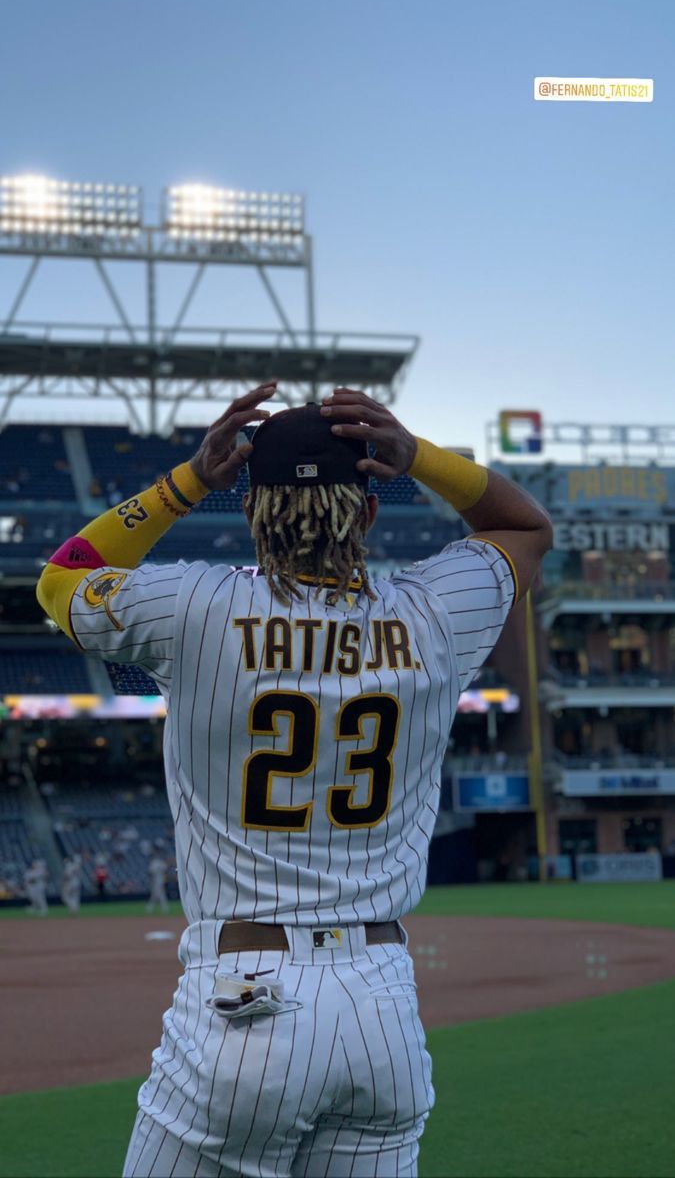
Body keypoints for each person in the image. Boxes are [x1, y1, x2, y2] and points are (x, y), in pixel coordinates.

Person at [37, 382, 552, 1177]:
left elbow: (64, 578)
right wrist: (420, 459)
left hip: (243, 997)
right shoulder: (435, 612)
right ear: (370, 510)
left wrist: (187, 481)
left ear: (250, 512)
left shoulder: (191, 606)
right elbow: (523, 526)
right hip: (382, 1004)